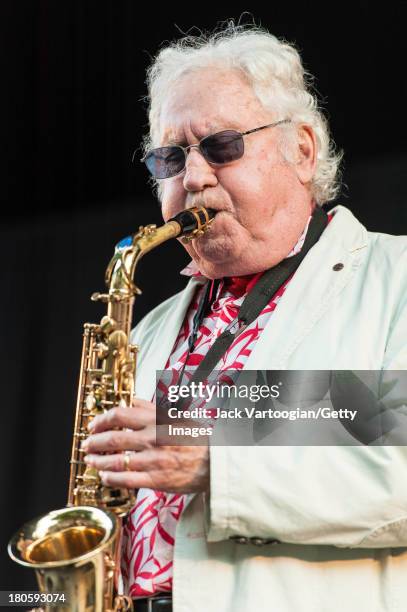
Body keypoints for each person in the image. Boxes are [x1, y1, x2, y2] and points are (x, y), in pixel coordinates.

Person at [81, 22, 407, 612]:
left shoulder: (397, 279)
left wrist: (216, 465)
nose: (195, 176)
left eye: (222, 146)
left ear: (301, 151)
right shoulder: (147, 332)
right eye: (171, 158)